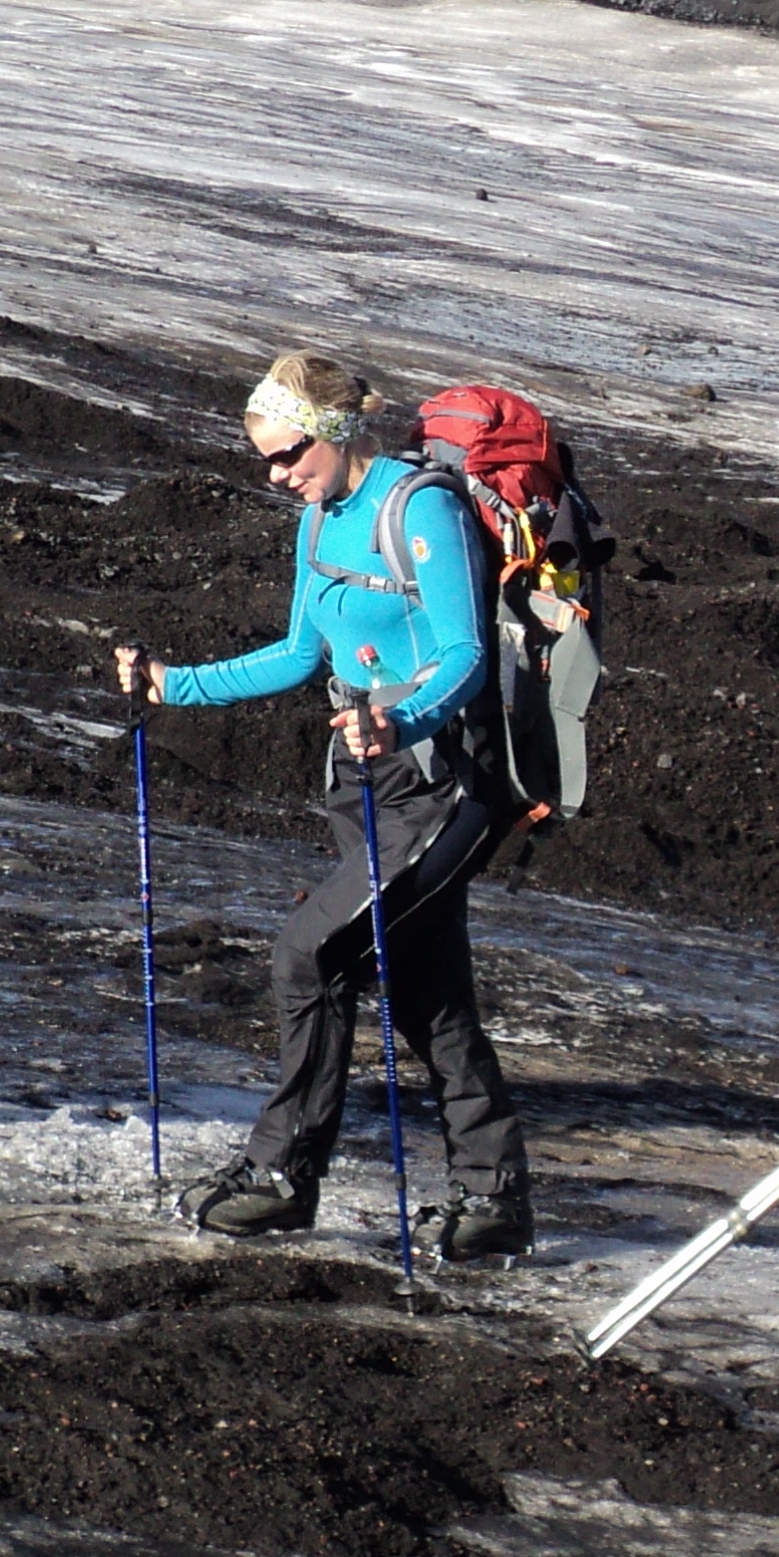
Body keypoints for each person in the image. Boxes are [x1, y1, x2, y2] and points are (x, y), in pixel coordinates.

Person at [114, 352, 533, 1259]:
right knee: (429, 995)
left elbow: (464, 654)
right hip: (366, 783)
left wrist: (398, 716)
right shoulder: (316, 523)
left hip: (443, 783)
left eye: (288, 453)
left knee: (310, 954)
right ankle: (493, 1199)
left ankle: (281, 1176)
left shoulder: (416, 505)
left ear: (337, 434)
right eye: (264, 459)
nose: (277, 474)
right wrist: (172, 686)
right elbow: (303, 652)